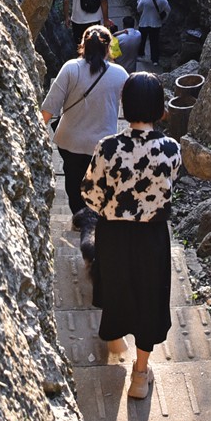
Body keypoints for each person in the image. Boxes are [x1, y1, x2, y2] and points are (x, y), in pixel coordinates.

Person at [83, 72, 182, 401]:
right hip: (152, 235)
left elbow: (90, 193)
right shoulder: (170, 149)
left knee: (115, 284)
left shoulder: (108, 147)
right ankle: (140, 376)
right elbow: (168, 189)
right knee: (150, 298)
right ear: (159, 106)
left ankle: (113, 338)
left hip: (113, 232)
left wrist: (111, 207)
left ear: (125, 104)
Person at [40, 25, 128, 260]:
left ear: (83, 45)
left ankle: (80, 221)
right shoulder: (120, 74)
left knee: (72, 181)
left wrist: (35, 135)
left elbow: (49, 108)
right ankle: (98, 223)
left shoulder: (70, 69)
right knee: (101, 184)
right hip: (103, 146)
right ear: (108, 47)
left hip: (70, 141)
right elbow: (132, 109)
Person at [135, 0, 171, 66]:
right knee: (154, 42)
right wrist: (163, 19)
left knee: (142, 40)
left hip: (144, 22)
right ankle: (155, 60)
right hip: (156, 23)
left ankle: (141, 55)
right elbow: (168, 9)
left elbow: (138, 9)